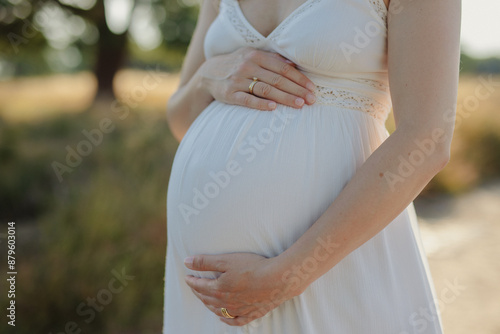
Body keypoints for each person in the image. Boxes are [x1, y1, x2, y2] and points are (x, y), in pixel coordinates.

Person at [163, 0, 461, 332]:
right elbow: (180, 120)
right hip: (207, 294)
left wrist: (289, 276)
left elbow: (426, 139)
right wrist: (208, 76)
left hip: (330, 269)